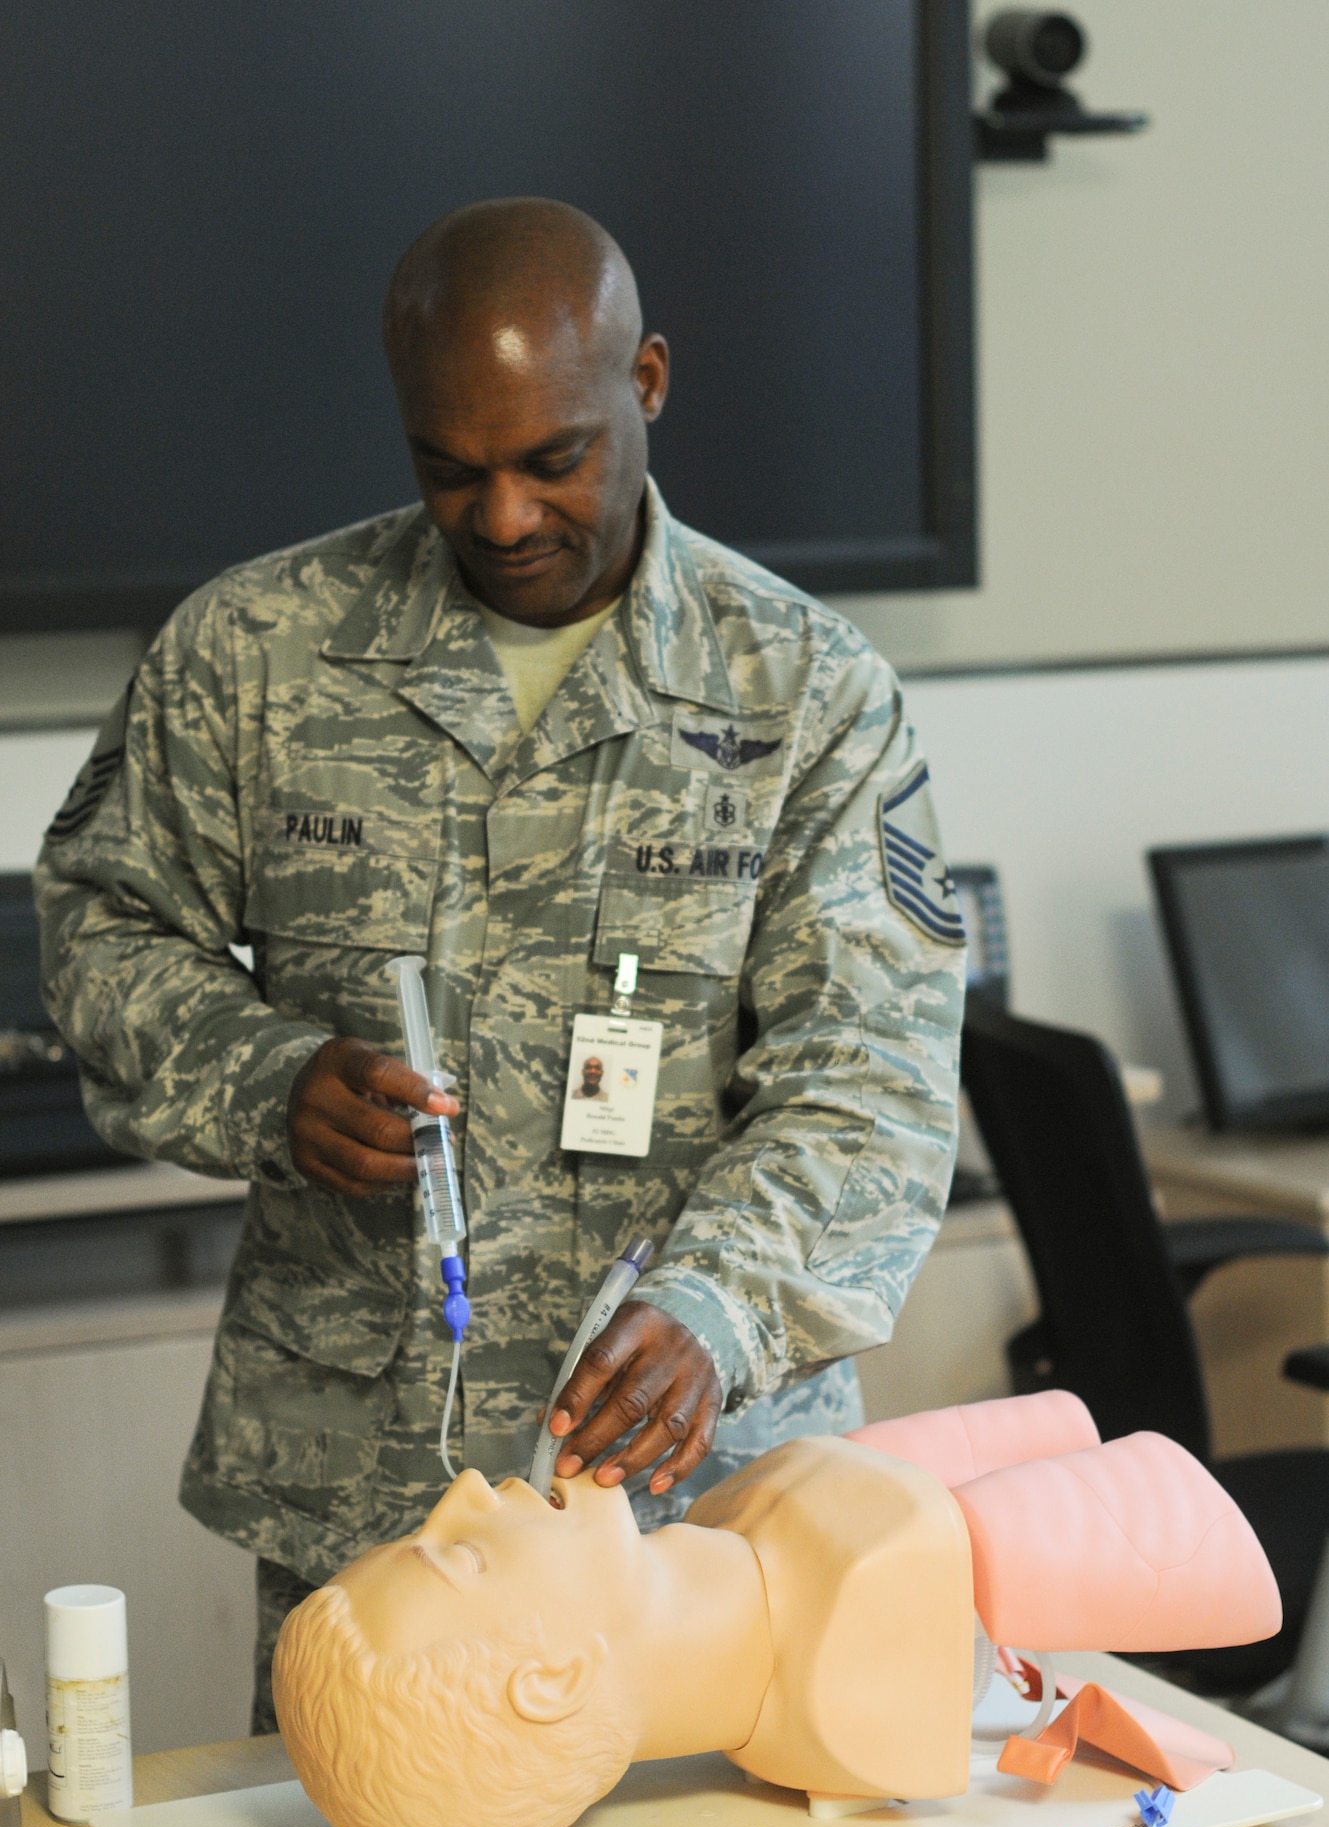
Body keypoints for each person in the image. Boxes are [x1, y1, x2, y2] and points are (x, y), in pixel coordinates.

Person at [35, 198, 966, 1733]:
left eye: (555, 459)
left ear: (647, 382)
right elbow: (98, 926)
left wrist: (721, 1313)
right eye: (449, 470)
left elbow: (870, 1079)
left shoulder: (804, 691)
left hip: (707, 1514)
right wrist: (270, 1081)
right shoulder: (255, 651)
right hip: (374, 1505)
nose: (506, 518)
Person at [272, 1390, 1281, 1827]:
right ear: (556, 1674)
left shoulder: (743, 1521)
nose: (457, 1494)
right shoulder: (873, 1615)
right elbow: (1212, 1557)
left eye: (423, 1528)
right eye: (460, 1553)